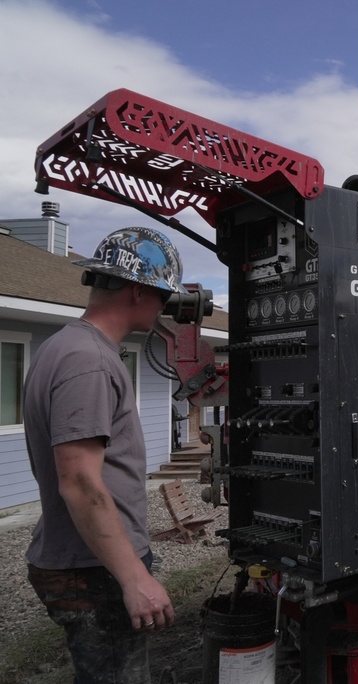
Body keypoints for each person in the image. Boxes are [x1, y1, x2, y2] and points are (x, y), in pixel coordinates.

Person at [24, 226, 187, 683]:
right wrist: (135, 579)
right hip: (94, 571)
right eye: (162, 297)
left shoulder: (62, 347)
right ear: (138, 291)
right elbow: (80, 482)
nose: (164, 309)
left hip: (87, 564)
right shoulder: (88, 360)